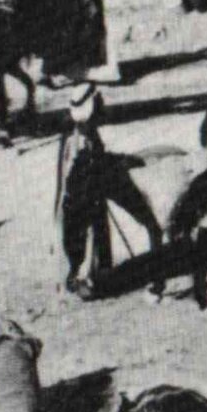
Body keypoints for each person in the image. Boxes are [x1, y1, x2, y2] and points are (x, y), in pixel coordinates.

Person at [58, 87, 165, 300]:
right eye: (100, 101)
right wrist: (125, 161)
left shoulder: (75, 131)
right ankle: (157, 278)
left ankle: (95, 277)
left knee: (97, 227)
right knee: (151, 223)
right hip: (94, 188)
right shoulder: (85, 139)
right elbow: (99, 167)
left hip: (81, 195)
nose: (104, 104)